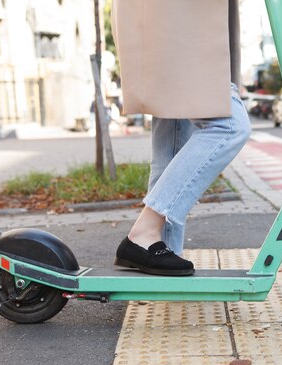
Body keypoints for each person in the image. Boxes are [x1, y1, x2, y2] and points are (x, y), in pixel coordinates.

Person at [110, 0, 249, 275]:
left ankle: (162, 251)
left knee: (172, 141)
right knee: (230, 125)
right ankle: (144, 233)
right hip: (179, 17)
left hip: (167, 19)